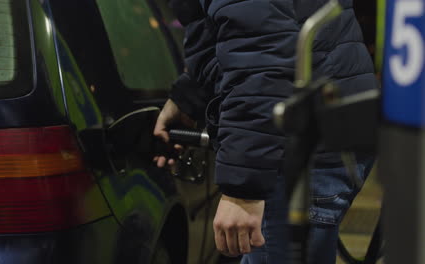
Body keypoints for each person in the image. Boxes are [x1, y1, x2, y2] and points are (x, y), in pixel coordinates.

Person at [154, 0, 377, 263]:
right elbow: (244, 35)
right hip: (320, 130)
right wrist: (188, 100)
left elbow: (261, 61)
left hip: (296, 149)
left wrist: (243, 191)